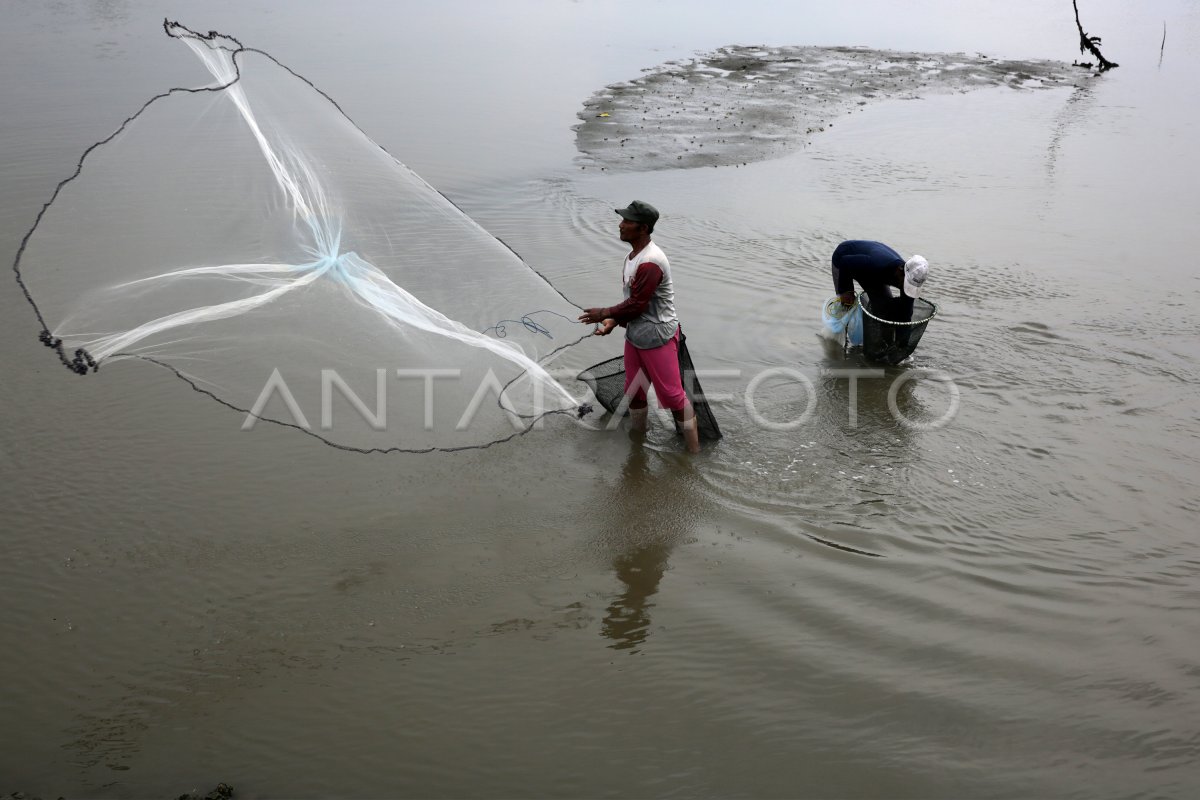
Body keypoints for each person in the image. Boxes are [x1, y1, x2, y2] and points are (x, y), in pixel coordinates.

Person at [578, 200, 700, 453]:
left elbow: (637, 305)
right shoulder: (632, 256)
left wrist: (604, 313)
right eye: (622, 220)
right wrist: (612, 322)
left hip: (658, 336)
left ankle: (693, 454)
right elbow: (632, 304)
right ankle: (638, 443)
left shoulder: (650, 262)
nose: (620, 225)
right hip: (636, 335)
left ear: (643, 228)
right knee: (634, 392)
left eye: (627, 221)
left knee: (674, 397)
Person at [831, 240, 928, 322]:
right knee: (846, 305)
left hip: (874, 273)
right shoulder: (878, 264)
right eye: (906, 284)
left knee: (884, 311)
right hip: (844, 258)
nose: (906, 288)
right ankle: (840, 335)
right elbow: (845, 262)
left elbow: (906, 315)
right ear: (900, 271)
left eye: (911, 286)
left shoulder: (909, 281)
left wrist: (903, 343)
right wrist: (846, 292)